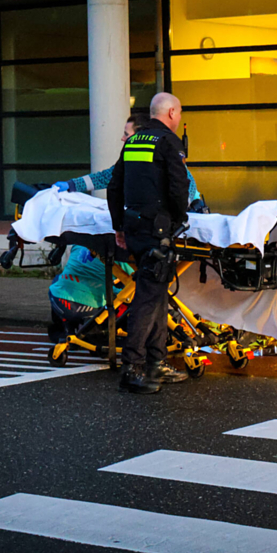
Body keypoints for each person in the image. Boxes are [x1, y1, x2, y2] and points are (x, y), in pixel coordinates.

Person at [107, 92, 190, 394]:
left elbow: (115, 186)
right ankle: (132, 367)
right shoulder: (168, 142)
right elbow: (179, 185)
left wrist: (119, 226)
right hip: (158, 229)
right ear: (169, 113)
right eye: (178, 113)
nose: (178, 119)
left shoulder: (133, 142)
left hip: (134, 228)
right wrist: (180, 219)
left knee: (156, 293)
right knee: (147, 296)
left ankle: (157, 362)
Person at [53, 112, 203, 207]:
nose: (122, 138)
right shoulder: (133, 158)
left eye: (126, 134)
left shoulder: (164, 153)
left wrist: (177, 212)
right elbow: (105, 177)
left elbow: (187, 184)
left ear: (139, 136)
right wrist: (71, 185)